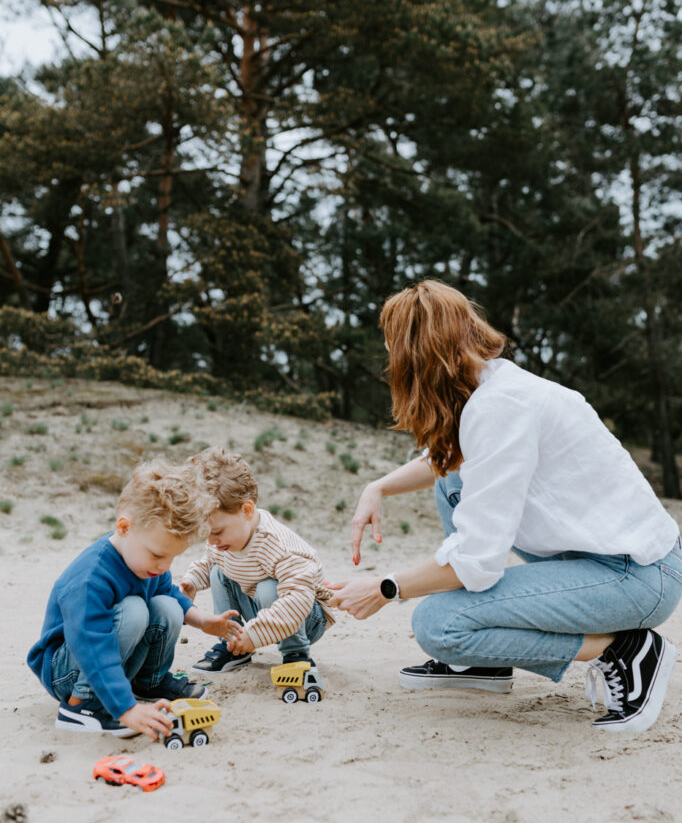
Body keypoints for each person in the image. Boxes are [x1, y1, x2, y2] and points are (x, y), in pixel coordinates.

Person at [329, 280, 682, 734]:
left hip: (637, 576)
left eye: (393, 351)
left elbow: (477, 563)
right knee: (451, 475)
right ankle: (484, 664)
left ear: (418, 355)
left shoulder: (500, 408)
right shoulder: (492, 387)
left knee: (439, 624)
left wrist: (384, 587)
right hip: (606, 558)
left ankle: (626, 651)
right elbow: (446, 461)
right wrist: (377, 487)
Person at [28, 460, 240, 739]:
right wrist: (125, 709)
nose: (165, 566)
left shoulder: (145, 563)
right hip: (69, 670)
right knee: (133, 610)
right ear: (124, 527)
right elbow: (91, 644)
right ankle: (82, 706)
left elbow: (169, 594)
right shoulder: (91, 578)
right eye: (157, 555)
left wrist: (203, 621)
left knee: (166, 606)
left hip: (109, 661)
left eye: (172, 557)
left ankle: (148, 683)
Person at [180, 447, 335, 672]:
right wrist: (192, 581)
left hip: (305, 616)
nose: (212, 540)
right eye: (206, 533)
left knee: (268, 587)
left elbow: (297, 598)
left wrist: (253, 634)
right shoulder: (226, 539)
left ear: (247, 510)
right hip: (263, 611)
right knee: (218, 572)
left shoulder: (279, 545)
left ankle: (296, 654)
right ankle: (232, 646)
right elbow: (209, 560)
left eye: (217, 532)